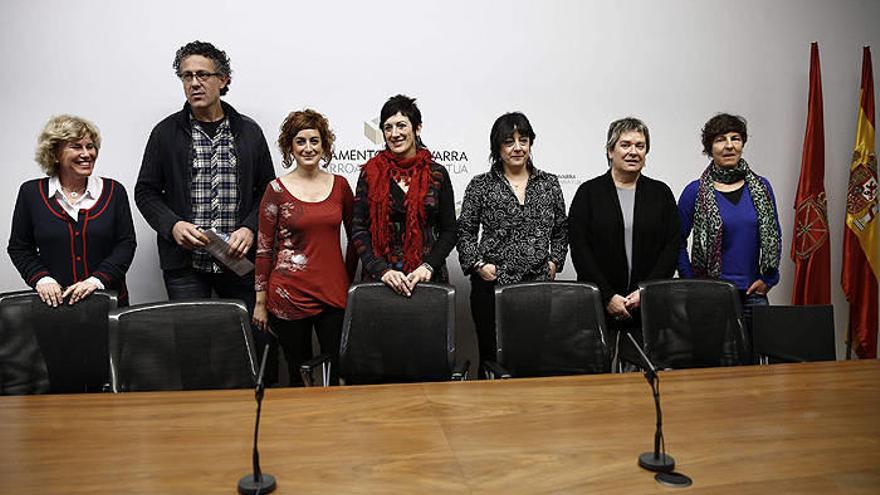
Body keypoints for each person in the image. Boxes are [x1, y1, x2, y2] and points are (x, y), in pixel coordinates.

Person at [135, 40, 275, 307]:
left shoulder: (249, 132)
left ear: (223, 80)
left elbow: (267, 191)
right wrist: (172, 225)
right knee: (192, 341)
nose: (194, 83)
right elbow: (146, 191)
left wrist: (250, 228)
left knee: (246, 338)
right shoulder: (165, 133)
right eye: (187, 76)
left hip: (238, 258)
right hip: (185, 264)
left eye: (203, 74)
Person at [457, 112, 568, 373]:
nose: (517, 147)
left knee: (534, 356)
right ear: (498, 147)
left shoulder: (549, 184)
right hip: (491, 286)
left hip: (537, 285)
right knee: (491, 358)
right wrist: (478, 264)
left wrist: (555, 261)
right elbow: (465, 232)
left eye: (523, 140)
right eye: (509, 141)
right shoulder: (480, 185)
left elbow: (562, 229)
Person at [252, 110, 356, 386]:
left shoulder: (341, 186)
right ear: (290, 147)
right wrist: (260, 302)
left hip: (334, 295)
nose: (308, 148)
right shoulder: (276, 189)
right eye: (300, 141)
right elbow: (263, 249)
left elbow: (357, 238)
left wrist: (347, 279)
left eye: (314, 141)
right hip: (288, 294)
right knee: (300, 375)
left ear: (324, 146)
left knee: (335, 373)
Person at [568, 117, 679, 366]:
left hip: (648, 307)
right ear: (610, 150)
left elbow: (671, 247)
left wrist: (645, 291)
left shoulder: (661, 193)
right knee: (598, 383)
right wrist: (608, 296)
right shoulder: (588, 193)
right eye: (625, 145)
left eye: (640, 146)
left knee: (643, 385)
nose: (633, 152)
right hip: (599, 306)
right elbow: (580, 249)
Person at [8, 115, 136, 307]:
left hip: (108, 305)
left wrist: (96, 281)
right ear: (55, 154)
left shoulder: (114, 191)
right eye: (76, 147)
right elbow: (19, 247)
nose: (87, 154)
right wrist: (43, 280)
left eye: (90, 146)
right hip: (53, 308)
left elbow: (126, 244)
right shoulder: (31, 193)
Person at [678, 113, 781, 344]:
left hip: (754, 296)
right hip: (710, 297)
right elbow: (676, 241)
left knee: (757, 368)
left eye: (735, 138)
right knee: (713, 367)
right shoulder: (695, 192)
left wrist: (769, 278)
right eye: (720, 139)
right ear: (709, 148)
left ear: (743, 144)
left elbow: (775, 234)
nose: (728, 146)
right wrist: (693, 281)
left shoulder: (762, 188)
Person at [351, 94, 456, 296]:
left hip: (427, 280)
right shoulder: (370, 174)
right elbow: (359, 229)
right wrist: (381, 270)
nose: (394, 133)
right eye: (388, 127)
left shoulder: (437, 174)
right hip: (381, 281)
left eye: (401, 125)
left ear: (417, 128)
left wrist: (428, 267)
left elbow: (449, 230)